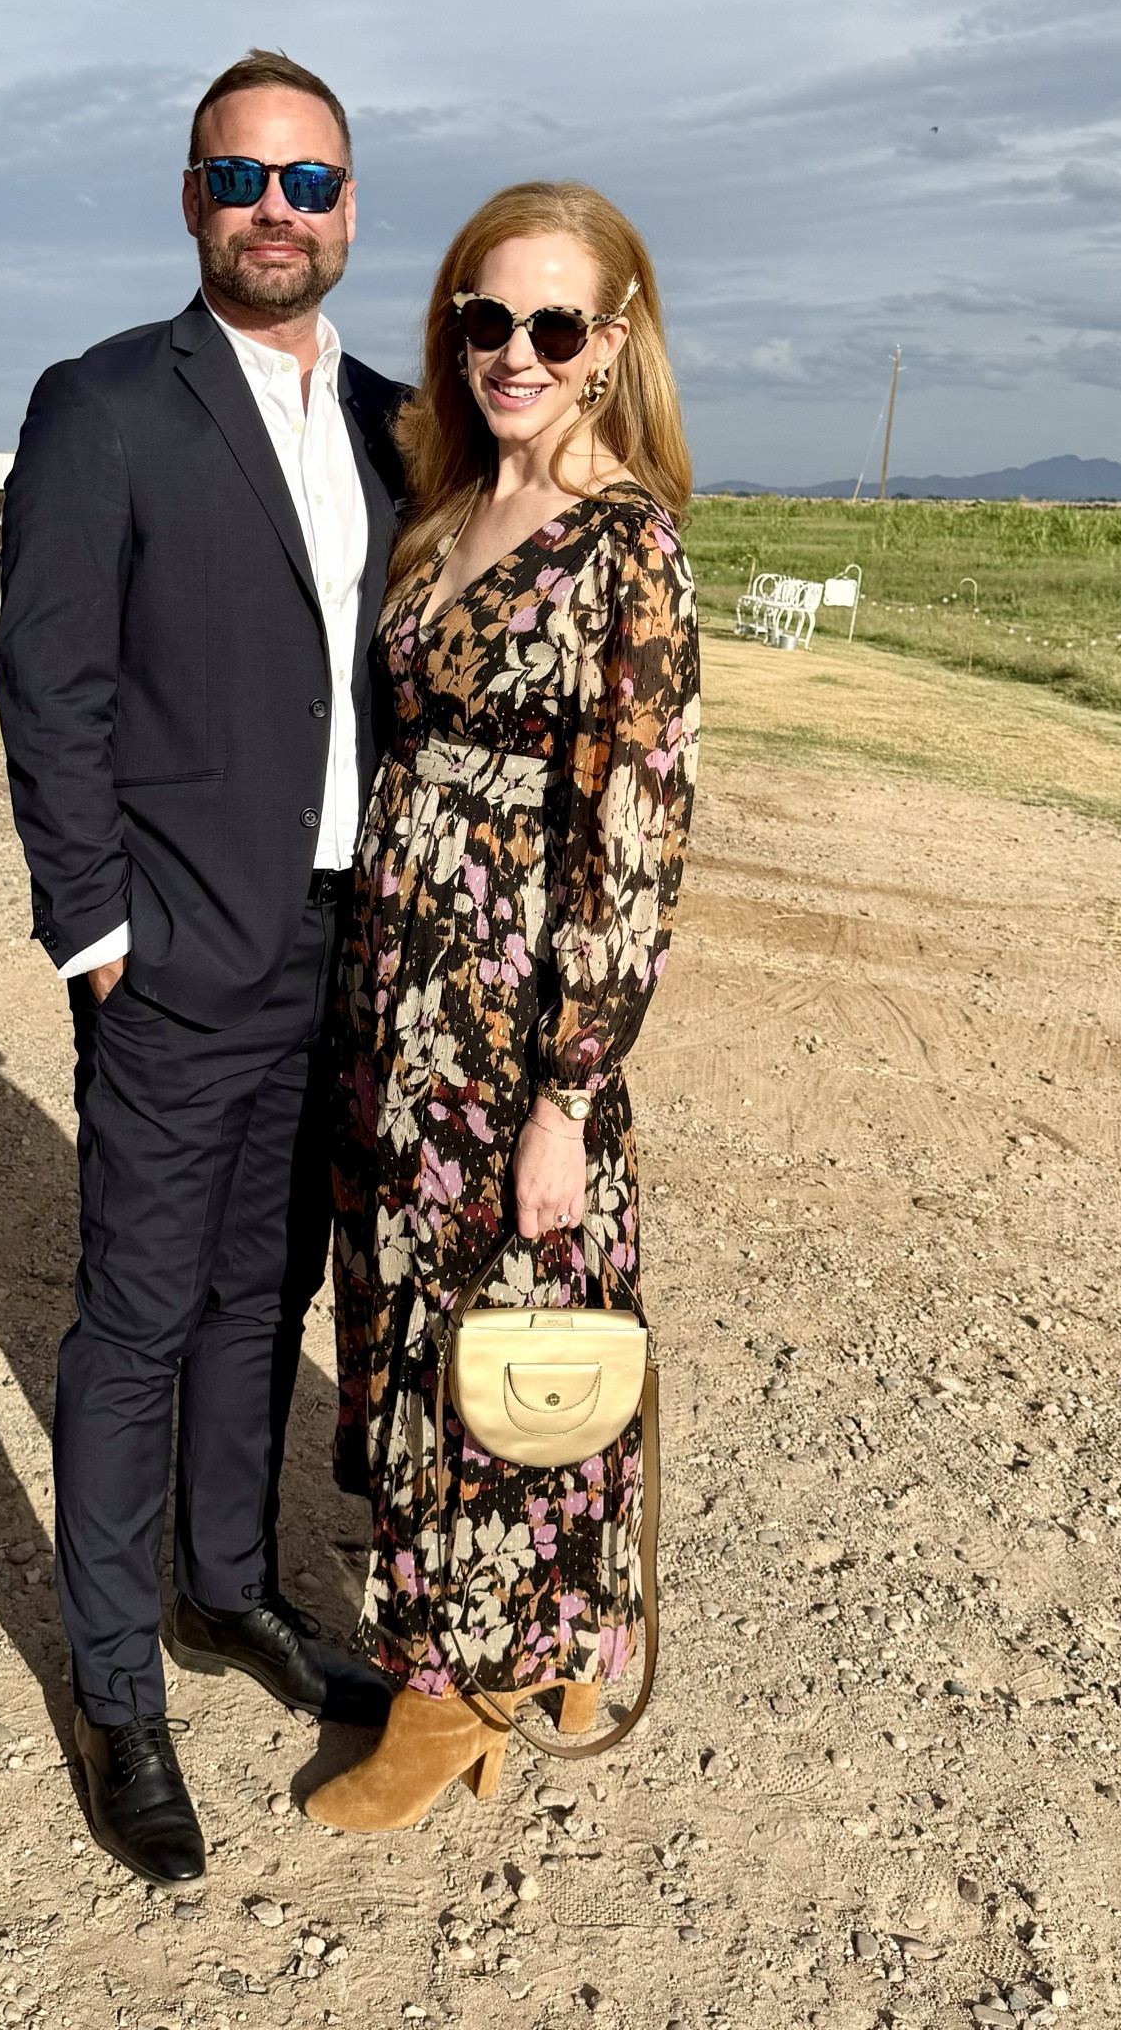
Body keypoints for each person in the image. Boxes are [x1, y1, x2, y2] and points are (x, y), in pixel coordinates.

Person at [0, 50, 406, 1886]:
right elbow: (51, 688)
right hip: (169, 960)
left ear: (346, 210)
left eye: (308, 183)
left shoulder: (403, 423)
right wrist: (97, 940)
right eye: (241, 177)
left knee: (264, 1297)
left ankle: (225, 1595)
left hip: (339, 956)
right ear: (190, 198)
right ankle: (112, 1688)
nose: (274, 210)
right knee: (140, 1318)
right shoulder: (107, 406)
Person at [305, 182, 700, 1831]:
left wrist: (567, 1091)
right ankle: (553, 1641)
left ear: (612, 345)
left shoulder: (631, 544)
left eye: (553, 325)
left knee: (510, 1331)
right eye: (485, 318)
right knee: (423, 1328)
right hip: (400, 991)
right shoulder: (445, 504)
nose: (513, 354)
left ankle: (450, 1691)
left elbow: (639, 831)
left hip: (514, 1015)